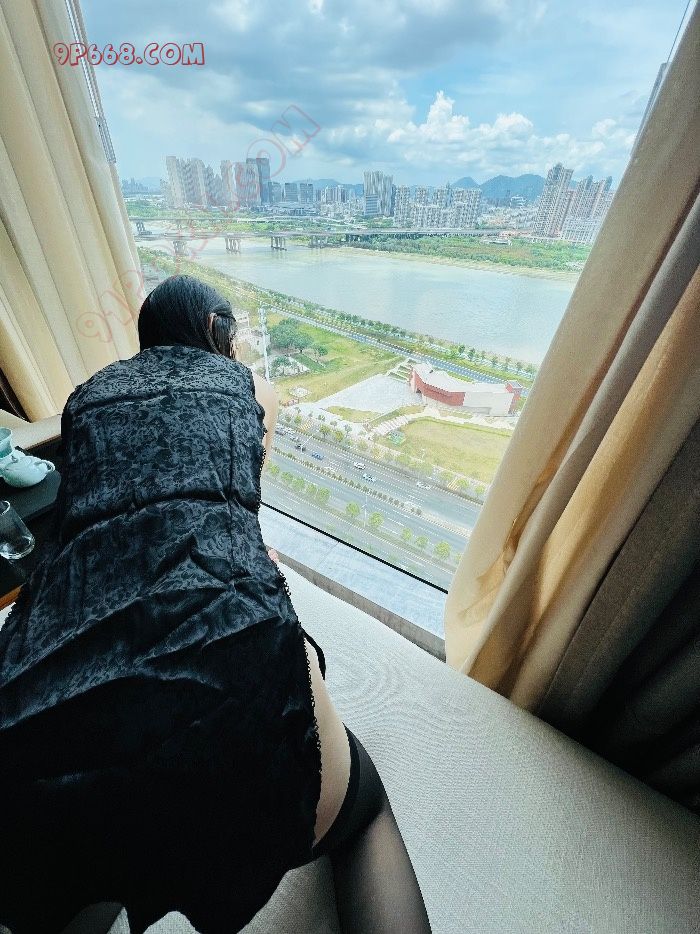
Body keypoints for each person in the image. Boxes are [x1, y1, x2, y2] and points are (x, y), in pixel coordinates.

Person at [0, 275, 431, 934]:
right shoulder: (250, 388)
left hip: (61, 702)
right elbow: (239, 515)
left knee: (86, 834)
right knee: (365, 814)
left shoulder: (86, 397)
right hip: (235, 678)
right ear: (214, 331)